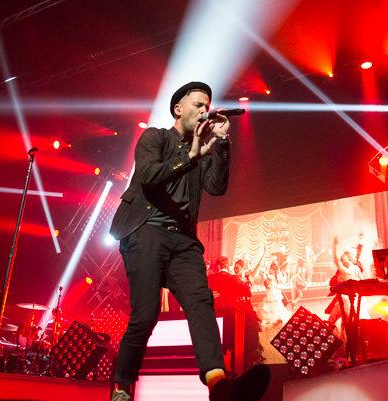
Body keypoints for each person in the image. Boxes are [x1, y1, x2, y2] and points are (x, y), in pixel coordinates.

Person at [108, 82, 269, 401]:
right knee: (146, 313)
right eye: (198, 104)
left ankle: (218, 384)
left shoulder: (203, 149)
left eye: (207, 105)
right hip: (146, 231)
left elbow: (216, 187)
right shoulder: (155, 137)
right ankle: (122, 388)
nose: (204, 110)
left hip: (183, 240)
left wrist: (222, 141)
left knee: (201, 301)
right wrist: (189, 156)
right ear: (178, 109)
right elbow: (148, 175)